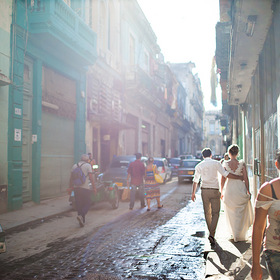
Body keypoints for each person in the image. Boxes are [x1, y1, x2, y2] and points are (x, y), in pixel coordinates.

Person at [191, 148, 244, 246]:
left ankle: (210, 233)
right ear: (211, 155)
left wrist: (193, 193)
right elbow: (226, 174)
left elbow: (195, 180)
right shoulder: (216, 164)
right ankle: (212, 233)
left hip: (204, 191)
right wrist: (239, 177)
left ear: (203, 156)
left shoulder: (199, 166)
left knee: (207, 213)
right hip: (215, 190)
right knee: (216, 213)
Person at [251, 149, 280, 280]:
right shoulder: (268, 190)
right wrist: (256, 264)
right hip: (275, 253)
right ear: (277, 165)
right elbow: (258, 227)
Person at [220, 144, 253, 242]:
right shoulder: (242, 164)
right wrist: (248, 190)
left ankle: (234, 234)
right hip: (240, 188)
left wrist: (221, 191)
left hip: (230, 190)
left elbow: (223, 178)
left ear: (229, 153)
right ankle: (239, 234)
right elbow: (246, 178)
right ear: (238, 153)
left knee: (232, 212)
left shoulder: (225, 164)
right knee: (240, 212)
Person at [69, 154, 97, 227]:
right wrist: (94, 188)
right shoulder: (88, 166)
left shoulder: (74, 165)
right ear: (87, 160)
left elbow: (71, 178)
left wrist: (70, 187)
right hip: (85, 188)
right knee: (87, 202)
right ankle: (81, 215)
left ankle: (81, 220)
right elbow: (91, 178)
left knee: (79, 204)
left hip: (76, 188)